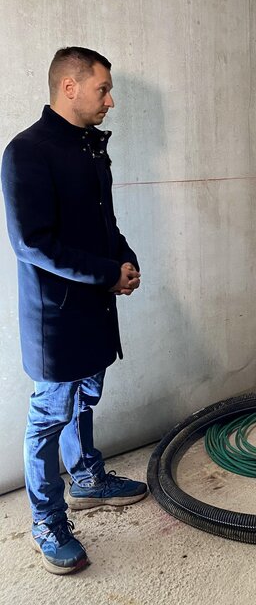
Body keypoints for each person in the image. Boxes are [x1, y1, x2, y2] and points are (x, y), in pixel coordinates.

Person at [1, 47, 147, 575]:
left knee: (86, 397)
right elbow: (33, 243)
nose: (110, 100)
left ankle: (86, 478)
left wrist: (123, 258)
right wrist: (108, 274)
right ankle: (46, 521)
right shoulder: (27, 151)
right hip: (57, 318)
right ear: (70, 87)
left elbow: (103, 222)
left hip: (93, 306)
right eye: (103, 89)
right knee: (48, 418)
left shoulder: (88, 148)